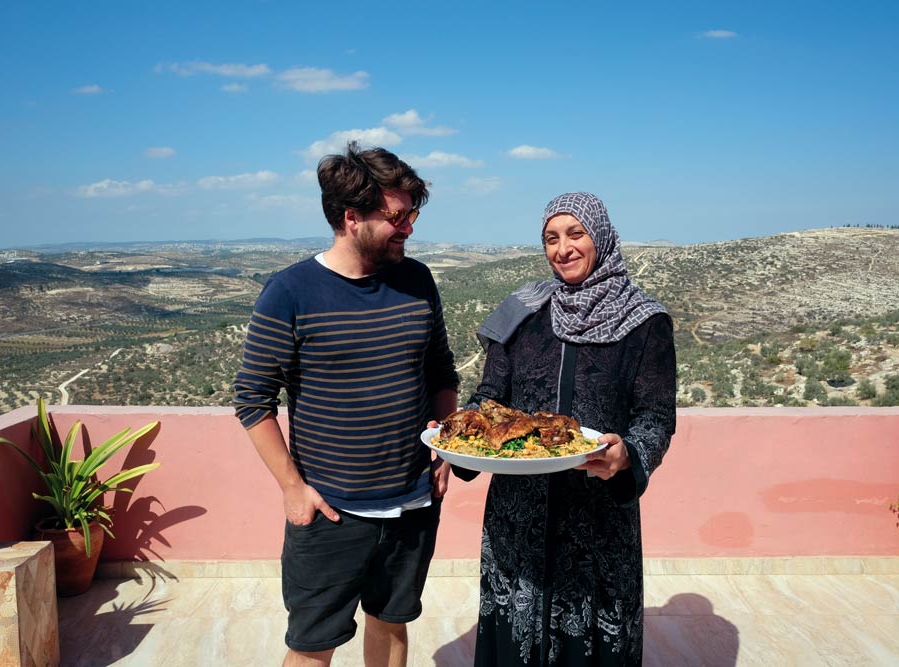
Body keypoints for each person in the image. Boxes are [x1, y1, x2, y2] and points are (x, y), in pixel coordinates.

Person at [233, 142, 459, 667]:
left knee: (392, 625)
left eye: (412, 215)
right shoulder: (289, 292)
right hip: (331, 512)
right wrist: (293, 488)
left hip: (412, 505)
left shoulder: (417, 280)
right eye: (397, 217)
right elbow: (252, 399)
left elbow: (440, 371)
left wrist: (448, 445)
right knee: (312, 649)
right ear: (351, 217)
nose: (408, 228)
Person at [461, 192, 676, 665]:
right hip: (517, 514)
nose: (563, 249)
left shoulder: (644, 321)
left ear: (599, 236)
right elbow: (489, 396)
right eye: (551, 239)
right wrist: (462, 427)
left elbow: (657, 417)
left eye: (575, 234)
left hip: (598, 517)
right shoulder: (521, 313)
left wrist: (628, 454)